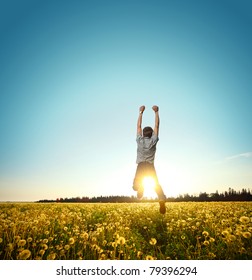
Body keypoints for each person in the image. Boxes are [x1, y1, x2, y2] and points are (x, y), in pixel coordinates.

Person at [133, 105, 166, 214]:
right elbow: (157, 125)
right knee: (156, 184)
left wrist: (141, 112)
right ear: (152, 134)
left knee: (135, 186)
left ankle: (140, 187)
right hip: (150, 166)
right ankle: (161, 198)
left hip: (141, 166)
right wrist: (156, 112)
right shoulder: (154, 140)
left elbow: (138, 126)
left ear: (142, 134)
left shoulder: (139, 140)